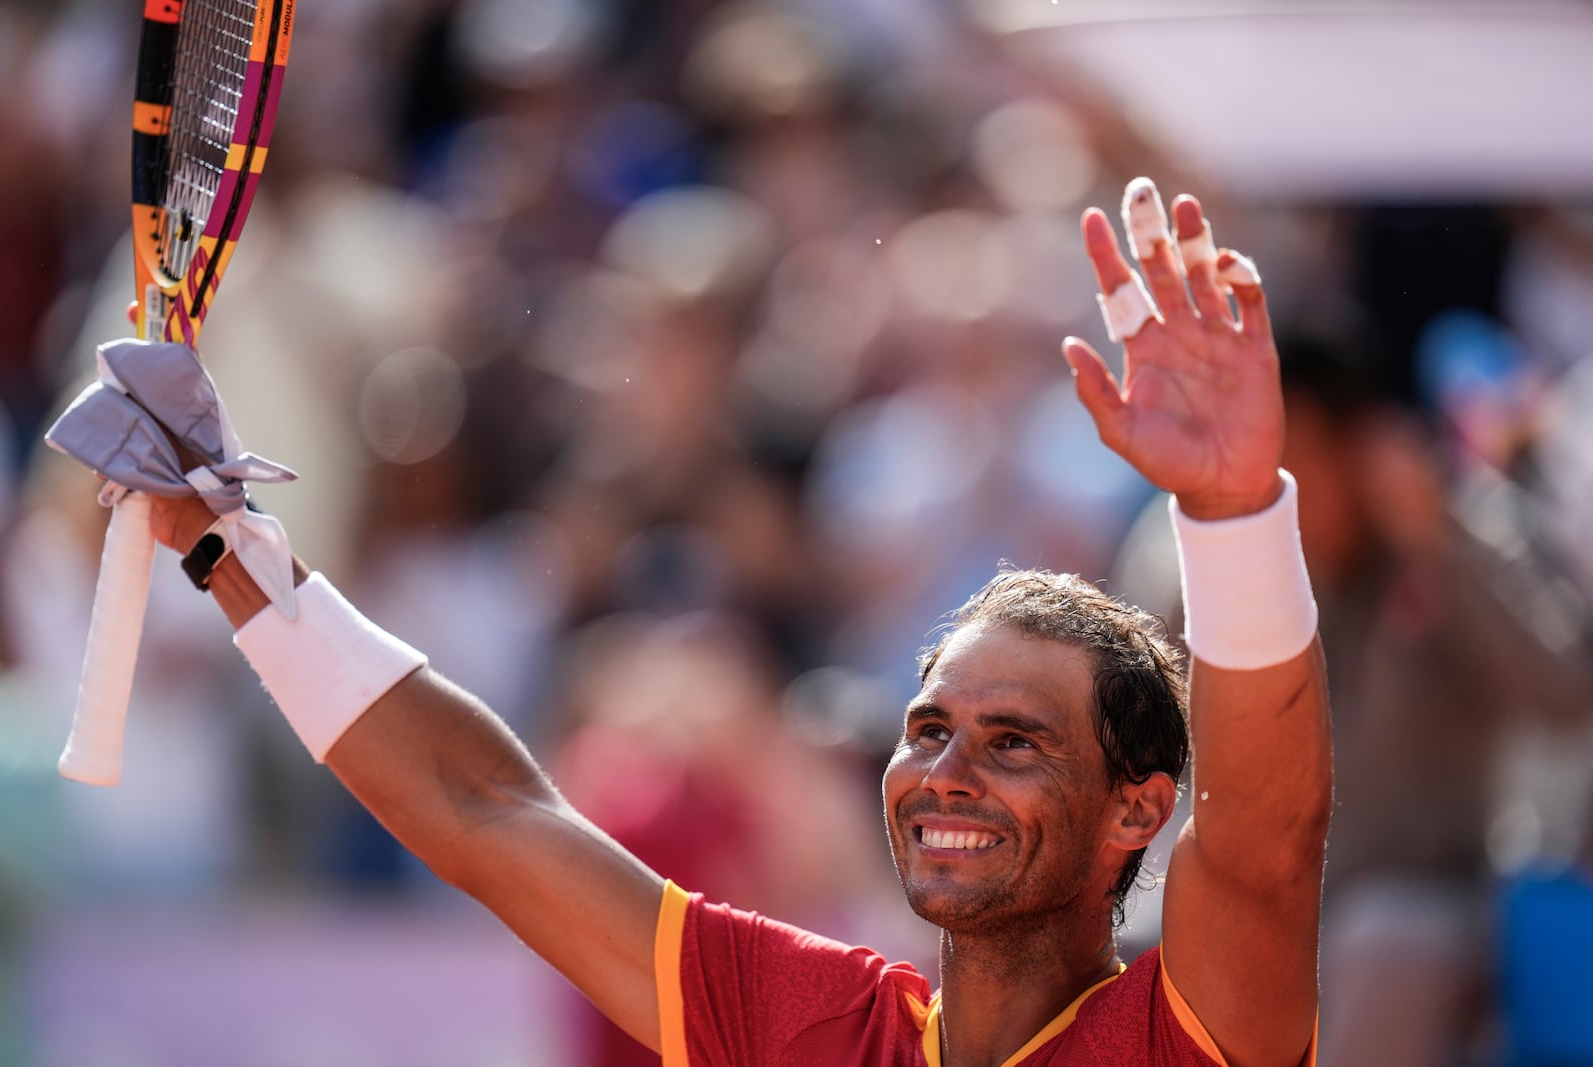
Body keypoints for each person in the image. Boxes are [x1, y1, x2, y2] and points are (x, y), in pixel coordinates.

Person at [132, 180, 1330, 1066]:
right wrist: (223, 546)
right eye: (927, 728)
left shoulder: (1188, 1033)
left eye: (1014, 739)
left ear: (1140, 805)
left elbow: (1267, 845)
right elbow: (486, 810)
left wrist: (1231, 512)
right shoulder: (802, 1018)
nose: (943, 772)